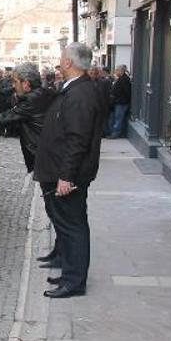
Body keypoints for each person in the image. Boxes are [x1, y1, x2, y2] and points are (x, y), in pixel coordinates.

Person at [34, 43, 105, 299]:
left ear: (68, 63)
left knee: (72, 227)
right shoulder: (75, 90)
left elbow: (78, 140)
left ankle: (74, 281)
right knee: (66, 225)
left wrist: (67, 176)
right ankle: (68, 273)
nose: (59, 61)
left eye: (61, 57)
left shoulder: (81, 94)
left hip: (66, 175)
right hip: (57, 171)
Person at [0, 62, 56, 173]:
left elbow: (3, 119)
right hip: (50, 154)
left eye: (15, 82)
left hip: (45, 157)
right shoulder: (42, 94)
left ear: (26, 84)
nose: (13, 86)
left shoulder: (31, 100)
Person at [107, 65, 131, 139]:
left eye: (117, 70)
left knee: (118, 119)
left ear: (121, 71)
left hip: (121, 103)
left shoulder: (124, 79)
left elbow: (126, 92)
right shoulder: (121, 78)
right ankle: (117, 133)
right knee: (117, 118)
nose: (115, 71)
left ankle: (116, 133)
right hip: (119, 102)